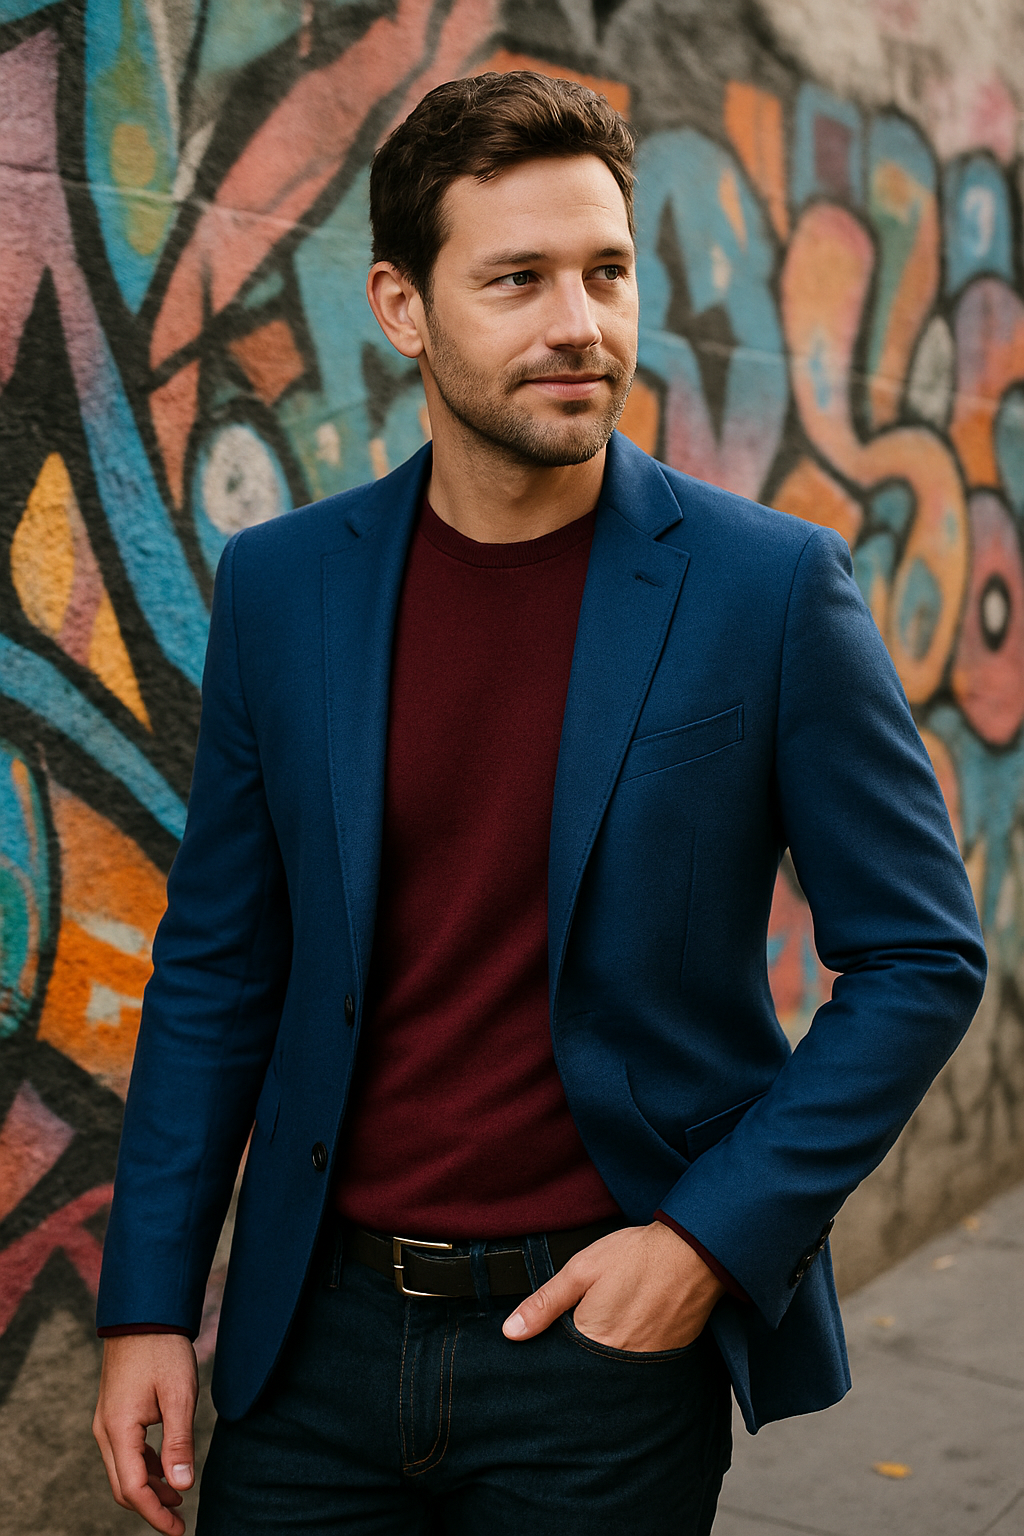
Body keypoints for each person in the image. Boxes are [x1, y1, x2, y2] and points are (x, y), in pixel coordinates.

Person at [93, 71, 986, 1536]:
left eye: (607, 272)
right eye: (517, 279)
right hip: (309, 1347)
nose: (580, 323)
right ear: (402, 306)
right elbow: (219, 966)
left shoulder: (767, 590)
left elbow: (920, 957)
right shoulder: (283, 588)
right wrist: (146, 1304)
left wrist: (703, 1244)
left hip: (598, 1356)